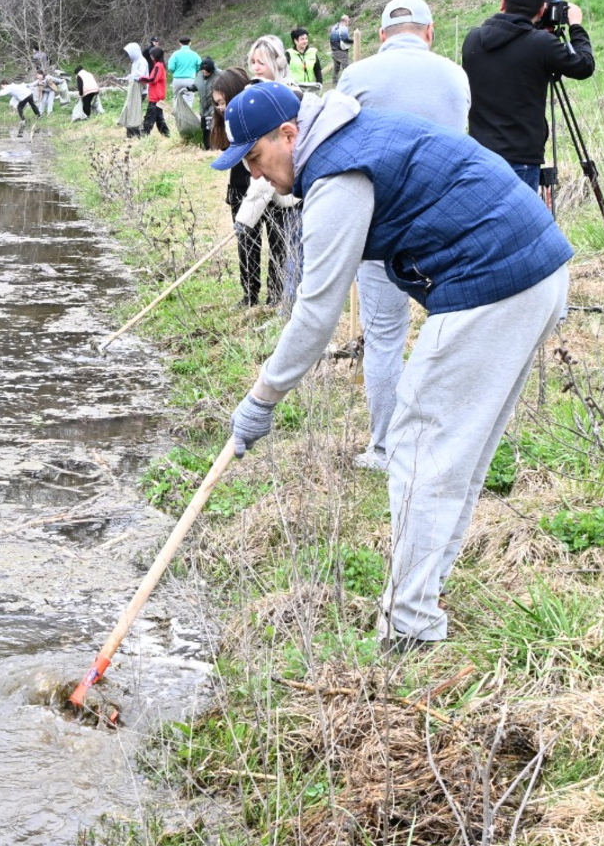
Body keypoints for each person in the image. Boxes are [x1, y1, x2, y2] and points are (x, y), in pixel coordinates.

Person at [214, 80, 571, 650]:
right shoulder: (349, 135)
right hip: (533, 270)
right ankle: (420, 603)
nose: (256, 174)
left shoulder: (336, 176)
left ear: (288, 134)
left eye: (255, 158)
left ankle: (410, 627)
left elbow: (315, 315)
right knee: (452, 457)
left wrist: (261, 400)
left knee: (419, 448)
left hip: (498, 280)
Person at [335, 0, 471, 473]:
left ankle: (385, 447)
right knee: (449, 329)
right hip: (447, 223)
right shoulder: (455, 75)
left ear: (381, 38)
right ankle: (445, 438)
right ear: (429, 34)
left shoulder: (356, 75)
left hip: (381, 226)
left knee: (384, 337)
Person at [461, 0, 595, 195]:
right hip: (520, 160)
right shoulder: (541, 44)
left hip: (479, 158)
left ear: (503, 2)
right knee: (519, 228)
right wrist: (576, 26)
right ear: (542, 10)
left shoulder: (473, 39)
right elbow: (584, 66)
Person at [210, 68, 287, 308]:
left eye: (223, 102)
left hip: (269, 189)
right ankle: (250, 295)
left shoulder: (257, 115)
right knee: (246, 244)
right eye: (217, 104)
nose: (221, 108)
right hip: (239, 187)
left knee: (278, 243)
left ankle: (276, 296)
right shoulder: (226, 121)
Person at [246, 35, 301, 309]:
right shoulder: (252, 97)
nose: (256, 67)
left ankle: (285, 304)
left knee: (289, 251)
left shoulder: (288, 97)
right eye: (253, 62)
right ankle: (277, 304)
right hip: (266, 189)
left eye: (262, 62)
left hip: (290, 193)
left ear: (276, 62)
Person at [118, 42, 148, 138]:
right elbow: (133, 75)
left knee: (134, 110)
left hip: (141, 91)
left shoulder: (142, 61)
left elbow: (140, 75)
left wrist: (131, 77)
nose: (129, 55)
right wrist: (126, 78)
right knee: (130, 109)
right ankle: (131, 133)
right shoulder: (135, 62)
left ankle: (136, 133)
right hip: (134, 90)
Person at [140, 46, 170, 137]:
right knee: (159, 118)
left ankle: (145, 135)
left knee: (149, 117)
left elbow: (153, 79)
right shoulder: (160, 65)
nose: (150, 56)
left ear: (155, 55)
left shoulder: (158, 66)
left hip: (156, 96)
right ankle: (166, 134)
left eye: (151, 55)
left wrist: (141, 78)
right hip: (158, 96)